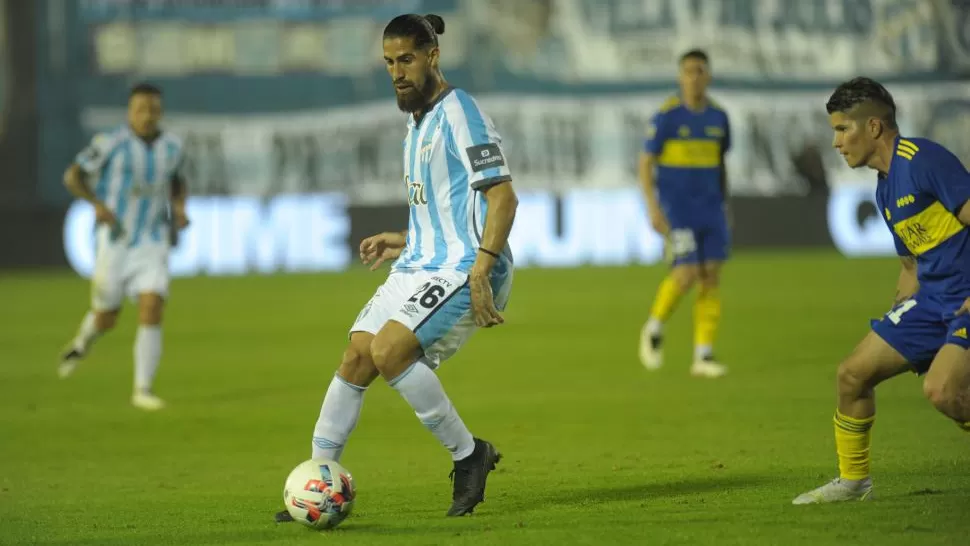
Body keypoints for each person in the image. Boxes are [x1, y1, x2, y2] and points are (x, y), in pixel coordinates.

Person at [276, 13, 517, 521]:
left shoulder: (460, 113)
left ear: (432, 56)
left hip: (465, 267)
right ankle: (319, 480)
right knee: (357, 357)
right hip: (422, 261)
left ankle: (470, 455)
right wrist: (406, 239)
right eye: (388, 62)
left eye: (406, 59)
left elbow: (502, 199)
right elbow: (448, 206)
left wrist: (481, 270)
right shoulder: (416, 121)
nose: (396, 72)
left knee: (389, 350)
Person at [793, 77, 970, 504]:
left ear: (873, 127)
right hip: (931, 302)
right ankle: (854, 483)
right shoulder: (885, 184)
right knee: (852, 374)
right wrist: (898, 323)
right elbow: (911, 264)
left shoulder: (924, 160)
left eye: (841, 129)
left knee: (942, 390)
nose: (836, 142)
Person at [58, 83, 189, 412]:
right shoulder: (110, 143)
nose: (147, 115)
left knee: (152, 304)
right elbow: (73, 176)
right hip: (115, 241)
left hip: (152, 240)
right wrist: (95, 204)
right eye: (141, 109)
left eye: (153, 110)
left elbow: (177, 180)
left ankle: (142, 389)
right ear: (130, 112)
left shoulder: (173, 146)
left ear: (160, 112)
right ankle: (82, 342)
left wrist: (181, 208)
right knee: (107, 317)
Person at [637, 49, 732, 378]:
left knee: (711, 277)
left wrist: (724, 203)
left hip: (711, 209)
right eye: (688, 71)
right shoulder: (668, 116)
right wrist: (652, 206)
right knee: (686, 273)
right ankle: (654, 326)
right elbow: (646, 163)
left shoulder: (718, 117)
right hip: (678, 210)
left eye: (700, 71)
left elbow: (721, 164)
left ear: (708, 75)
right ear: (680, 77)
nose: (694, 77)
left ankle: (703, 356)